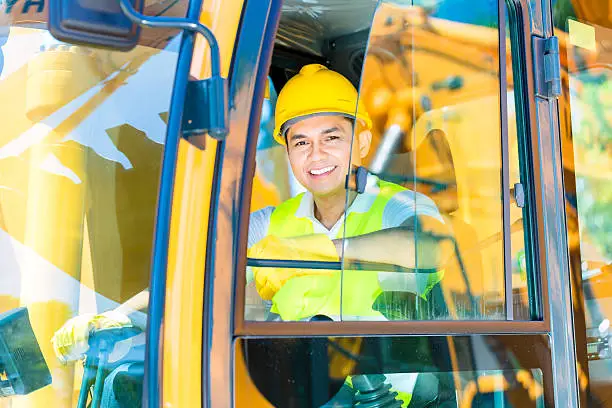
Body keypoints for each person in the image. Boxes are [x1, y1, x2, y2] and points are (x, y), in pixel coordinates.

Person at [51, 64, 452, 362]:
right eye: (300, 143)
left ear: (362, 142)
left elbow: (435, 248)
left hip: (385, 399)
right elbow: (199, 277)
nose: (316, 155)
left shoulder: (398, 206)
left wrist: (324, 249)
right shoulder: (270, 222)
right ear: (288, 153)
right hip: (295, 390)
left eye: (332, 138)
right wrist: (117, 318)